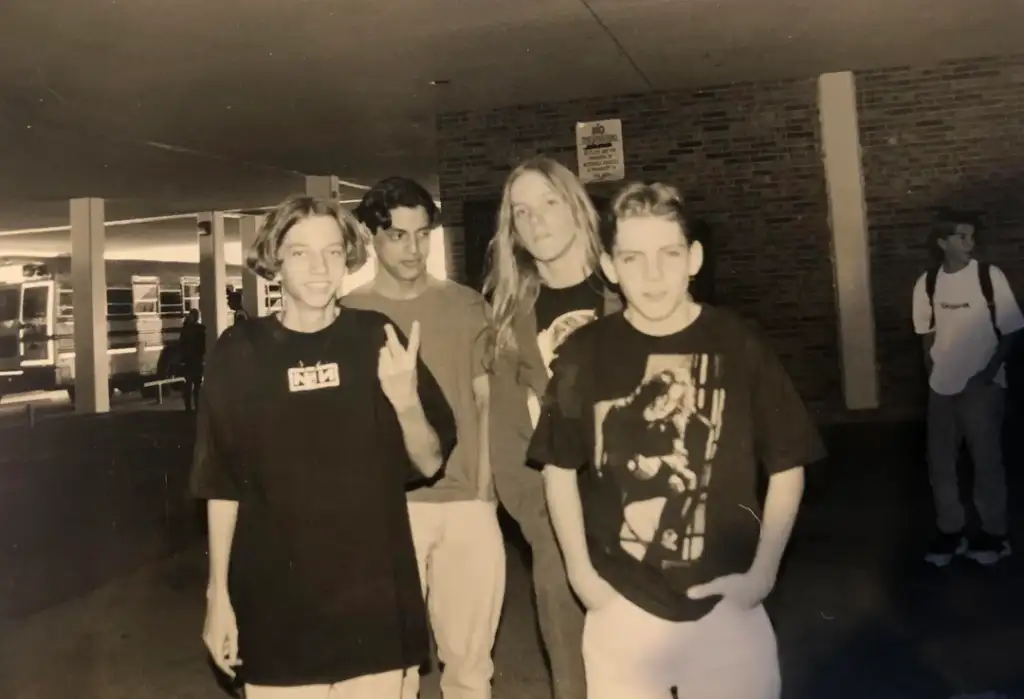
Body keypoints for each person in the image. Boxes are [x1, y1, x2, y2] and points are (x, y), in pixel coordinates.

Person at [527, 181, 825, 699]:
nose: (653, 274)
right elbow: (558, 469)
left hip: (728, 606)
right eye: (633, 258)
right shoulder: (583, 353)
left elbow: (787, 463)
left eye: (669, 254)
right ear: (611, 267)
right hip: (623, 607)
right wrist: (584, 578)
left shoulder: (739, 341)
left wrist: (763, 573)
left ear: (694, 259)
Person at [190, 194, 458, 699]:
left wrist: (405, 402)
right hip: (276, 600)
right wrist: (217, 595)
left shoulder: (376, 337)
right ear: (274, 261)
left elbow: (429, 461)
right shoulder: (239, 353)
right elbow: (220, 483)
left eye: (332, 252)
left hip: (372, 597)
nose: (319, 268)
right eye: (300, 253)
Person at [342, 177, 504, 699]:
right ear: (371, 238)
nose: (413, 249)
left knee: (470, 665)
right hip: (389, 512)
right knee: (392, 670)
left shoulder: (466, 305)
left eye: (422, 235)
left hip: (465, 506)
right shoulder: (349, 315)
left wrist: (485, 493)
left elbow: (486, 400)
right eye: (397, 236)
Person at [481, 155, 621, 699]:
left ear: (576, 206)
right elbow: (508, 437)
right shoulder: (512, 315)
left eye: (548, 203)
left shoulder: (627, 286)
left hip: (645, 515)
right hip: (558, 524)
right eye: (521, 212)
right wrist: (543, 526)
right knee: (574, 674)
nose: (536, 221)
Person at [912, 210, 1023, 567]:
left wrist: (987, 375)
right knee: (941, 463)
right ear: (942, 243)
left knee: (985, 462)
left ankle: (995, 534)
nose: (969, 243)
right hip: (941, 388)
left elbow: (1011, 330)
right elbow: (925, 334)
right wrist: (933, 373)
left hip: (982, 386)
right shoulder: (927, 282)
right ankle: (951, 531)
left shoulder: (989, 277)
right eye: (961, 237)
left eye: (971, 236)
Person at [178, 308, 206, 412]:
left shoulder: (185, 329)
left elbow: (181, 344)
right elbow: (203, 345)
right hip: (197, 360)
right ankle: (197, 406)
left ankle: (188, 406)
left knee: (188, 384)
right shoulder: (201, 329)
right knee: (197, 385)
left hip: (188, 360)